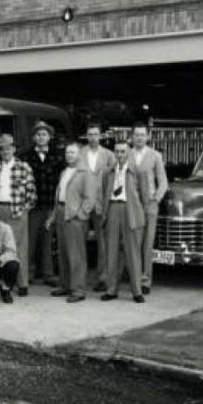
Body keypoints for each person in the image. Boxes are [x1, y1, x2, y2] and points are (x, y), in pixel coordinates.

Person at [0, 133, 36, 296]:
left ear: (14, 148)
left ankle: (22, 284)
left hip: (17, 211)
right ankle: (5, 281)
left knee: (19, 247)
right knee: (1, 246)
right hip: (0, 210)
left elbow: (32, 193)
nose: (5, 151)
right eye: (2, 149)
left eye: (8, 148)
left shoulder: (24, 167)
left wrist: (24, 210)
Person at [100, 140, 149, 303]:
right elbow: (104, 192)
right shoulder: (109, 172)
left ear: (129, 152)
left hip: (131, 210)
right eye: (117, 151)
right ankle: (111, 289)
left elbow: (145, 195)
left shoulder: (138, 171)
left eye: (123, 151)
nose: (120, 155)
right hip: (113, 208)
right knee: (112, 251)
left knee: (133, 251)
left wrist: (143, 215)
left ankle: (137, 291)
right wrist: (104, 214)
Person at [45, 143, 95, 302]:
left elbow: (90, 198)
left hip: (74, 217)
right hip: (61, 212)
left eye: (72, 152)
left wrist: (80, 215)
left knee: (76, 255)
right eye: (67, 152)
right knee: (63, 253)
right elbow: (59, 196)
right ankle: (65, 285)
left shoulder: (85, 173)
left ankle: (78, 290)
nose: (69, 155)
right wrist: (53, 216)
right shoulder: (64, 172)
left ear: (79, 154)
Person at [20, 121, 62, 285]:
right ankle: (27, 273)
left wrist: (56, 206)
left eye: (44, 134)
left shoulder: (58, 156)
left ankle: (48, 273)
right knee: (29, 240)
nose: (41, 137)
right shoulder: (25, 156)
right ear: (33, 137)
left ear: (49, 137)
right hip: (33, 206)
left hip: (50, 205)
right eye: (38, 134)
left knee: (48, 240)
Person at [131, 122, 169, 294]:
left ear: (148, 136)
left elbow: (163, 181)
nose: (139, 137)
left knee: (147, 243)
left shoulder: (155, 156)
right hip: (132, 205)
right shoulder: (127, 154)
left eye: (142, 134)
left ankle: (145, 281)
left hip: (149, 205)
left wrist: (156, 199)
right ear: (132, 137)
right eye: (136, 134)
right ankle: (134, 277)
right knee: (133, 242)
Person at [80, 122, 117, 292]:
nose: (93, 137)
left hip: (101, 204)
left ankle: (102, 278)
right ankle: (79, 277)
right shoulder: (79, 153)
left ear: (100, 136)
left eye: (96, 134)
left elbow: (114, 180)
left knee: (103, 243)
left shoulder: (109, 155)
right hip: (82, 203)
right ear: (86, 136)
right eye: (90, 134)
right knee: (79, 241)